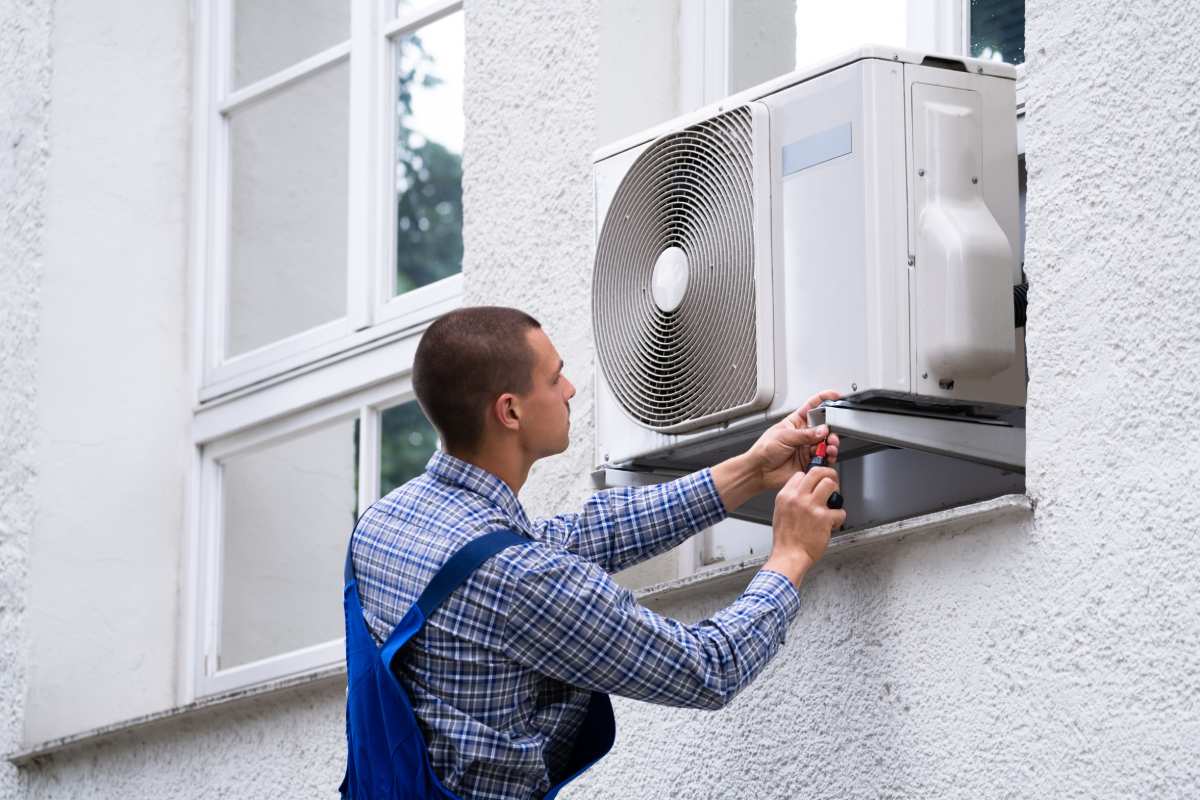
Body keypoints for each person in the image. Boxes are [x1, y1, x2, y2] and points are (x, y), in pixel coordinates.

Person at [347, 305, 846, 800]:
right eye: (555, 378)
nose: (570, 390)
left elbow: (581, 536)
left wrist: (750, 472)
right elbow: (708, 668)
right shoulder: (521, 580)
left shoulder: (383, 524)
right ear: (510, 411)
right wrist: (790, 556)